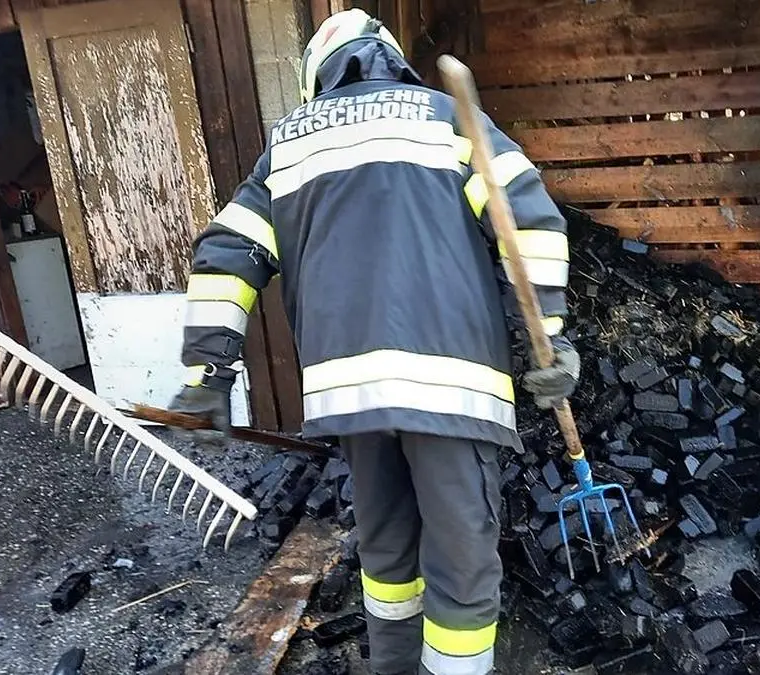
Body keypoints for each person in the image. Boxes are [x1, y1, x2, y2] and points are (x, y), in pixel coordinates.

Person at [165, 8, 579, 674]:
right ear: (391, 60)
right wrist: (549, 337)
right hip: (454, 385)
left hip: (350, 394)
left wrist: (208, 373)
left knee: (388, 554)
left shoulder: (291, 141)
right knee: (462, 565)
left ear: (317, 78)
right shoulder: (446, 117)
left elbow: (228, 251)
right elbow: (528, 217)